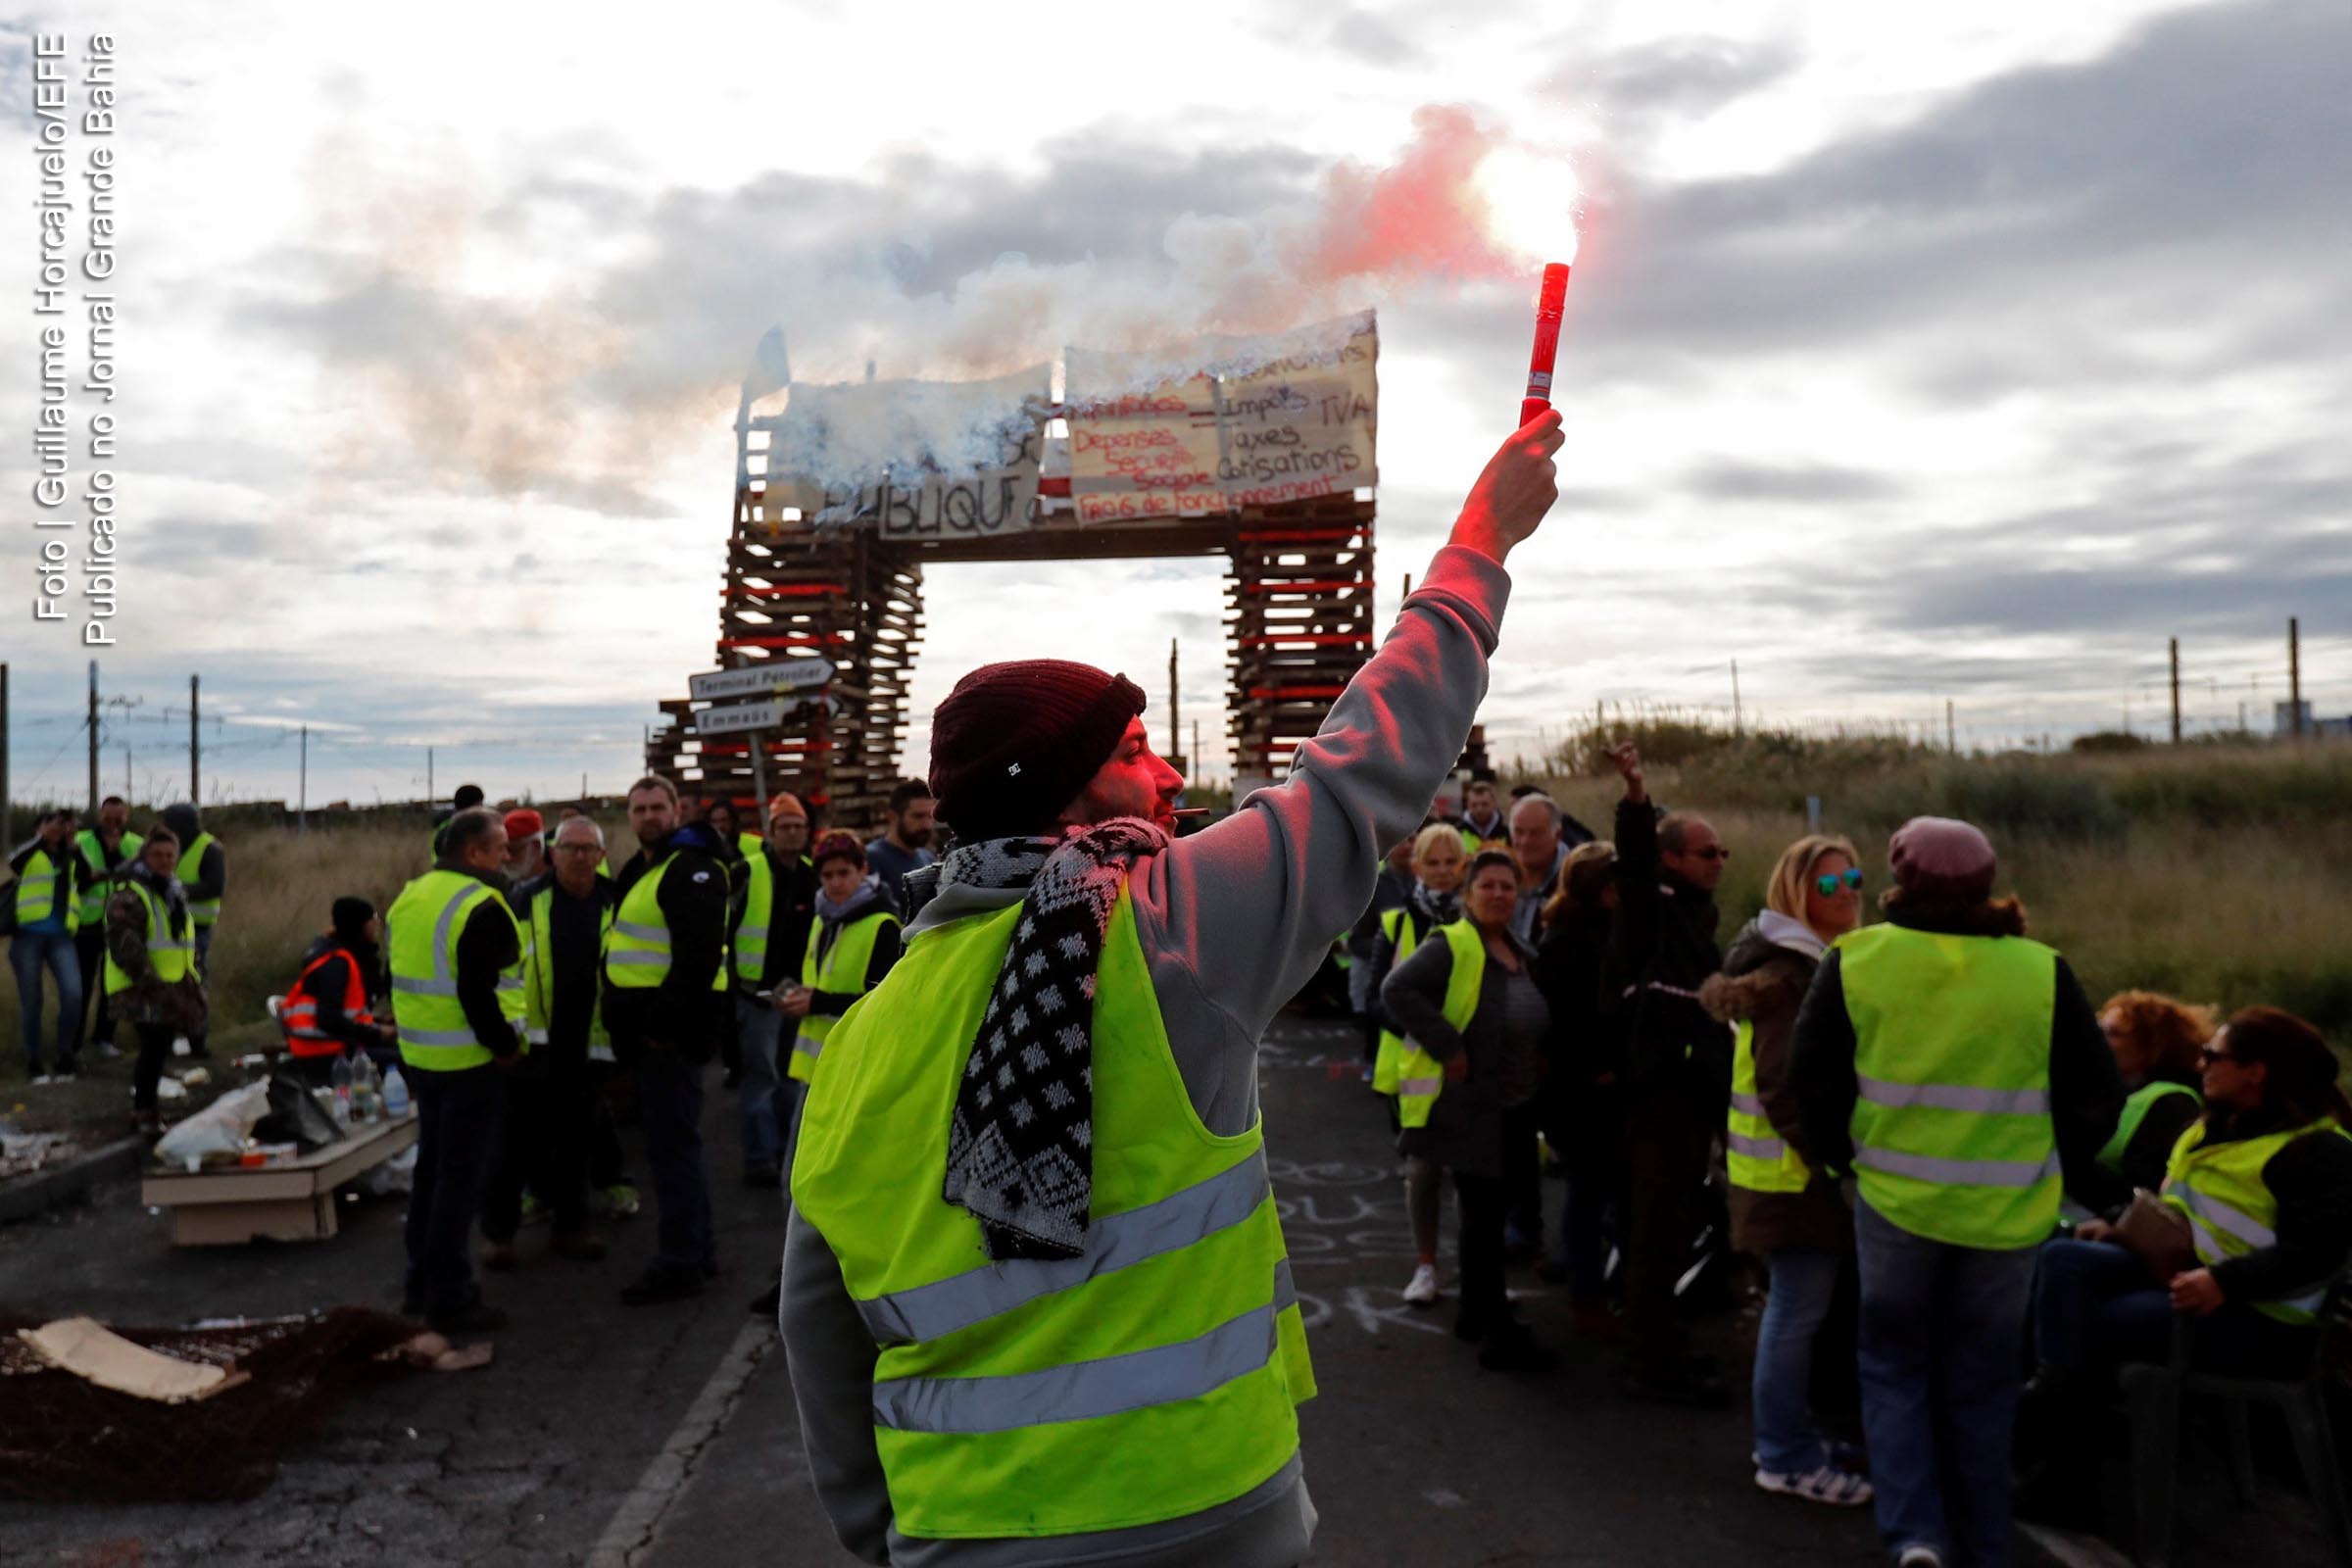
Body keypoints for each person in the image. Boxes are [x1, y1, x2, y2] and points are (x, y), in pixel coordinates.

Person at [781, 410, 1563, 1566]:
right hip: (1200, 1509)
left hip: (958, 1525)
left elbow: (818, 1324)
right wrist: (1478, 545)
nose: (1167, 771)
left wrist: (880, 1527)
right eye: (1135, 747)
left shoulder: (861, 1037)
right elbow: (1361, 776)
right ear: (1067, 799)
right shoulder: (1160, 927)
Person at [1789, 815, 2122, 1568]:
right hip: (2007, 1219)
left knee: (1894, 1369)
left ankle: (1915, 1537)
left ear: (1899, 882)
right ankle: (1984, 1542)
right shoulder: (2041, 971)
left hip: (1894, 1206)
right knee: (1984, 1380)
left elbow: (1812, 1081)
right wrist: (2046, 1161)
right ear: (1987, 885)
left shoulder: (1857, 960)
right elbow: (2097, 1096)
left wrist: (1845, 1165)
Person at [2034, 1006, 2352, 1388]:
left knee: (2092, 1317)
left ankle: (2068, 1418)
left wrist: (2223, 1281)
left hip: (2261, 1315)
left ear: (2256, 1071)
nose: (2201, 1065)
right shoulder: (2212, 1130)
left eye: (2214, 1056)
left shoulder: (2319, 1151)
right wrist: (2117, 1221)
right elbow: (2179, 1206)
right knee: (2060, 1258)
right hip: (2188, 1272)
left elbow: (2318, 1252)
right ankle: (2052, 1394)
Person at [1700, 834, 1873, 1507]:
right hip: (1791, 1179)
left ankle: (1791, 1437)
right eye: (1829, 884)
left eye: (1853, 877)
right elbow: (1782, 1085)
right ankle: (1785, 1454)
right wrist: (1833, 1162)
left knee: (1794, 1313)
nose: (1849, 891)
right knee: (1794, 1315)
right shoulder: (1790, 976)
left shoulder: (1810, 961)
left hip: (1783, 1175)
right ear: (1796, 893)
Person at [1382, 849, 1552, 1370]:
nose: (1499, 894)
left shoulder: (1519, 949)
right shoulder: (1454, 943)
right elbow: (1396, 989)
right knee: (1483, 1220)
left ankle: (1476, 1315)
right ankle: (1494, 1330)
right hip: (1474, 1107)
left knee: (1489, 1216)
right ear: (1468, 894)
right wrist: (1448, 1046)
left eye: (1508, 886)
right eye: (1489, 886)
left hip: (1515, 1104)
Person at [1603, 742, 1734, 1405]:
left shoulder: (1697, 917)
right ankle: (1653, 1360)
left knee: (1674, 1222)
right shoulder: (1651, 909)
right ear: (1673, 859)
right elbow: (1631, 864)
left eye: (1722, 853)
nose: (1719, 863)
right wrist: (1634, 795)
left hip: (1694, 1091)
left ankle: (1662, 1342)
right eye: (1707, 853)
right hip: (1662, 1094)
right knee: (1657, 1226)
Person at [387, 807, 527, 1335]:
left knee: (431, 1173)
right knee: (459, 1183)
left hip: (423, 1059)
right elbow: (478, 992)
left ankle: (419, 1283)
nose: (507, 857)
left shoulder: (411, 895)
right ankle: (450, 1294)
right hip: (470, 1062)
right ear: (474, 852)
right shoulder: (482, 903)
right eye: (500, 848)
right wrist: (505, 1048)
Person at [604, 774, 730, 1305]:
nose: (649, 816)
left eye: (658, 807)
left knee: (672, 1151)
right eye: (639, 809)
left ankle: (680, 1263)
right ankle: (696, 1250)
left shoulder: (691, 869)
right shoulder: (645, 869)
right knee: (675, 1149)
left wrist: (657, 1029)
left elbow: (697, 961)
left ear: (676, 811)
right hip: (651, 1041)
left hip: (669, 1042)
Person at [486, 815, 613, 1268]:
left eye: (588, 849)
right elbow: (504, 974)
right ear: (552, 853)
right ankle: (499, 1238)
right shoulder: (525, 900)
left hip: (588, 1046)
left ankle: (571, 1230)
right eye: (569, 848)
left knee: (575, 1143)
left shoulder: (612, 902)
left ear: (601, 857)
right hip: (534, 1047)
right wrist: (511, 1036)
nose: (579, 856)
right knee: (515, 1146)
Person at [1363, 822, 1466, 1305]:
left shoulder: (1477, 917)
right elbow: (1374, 997)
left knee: (1471, 1175)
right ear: (1417, 866)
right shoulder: (1397, 922)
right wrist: (1429, 1031)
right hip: (1411, 1072)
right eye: (1434, 862)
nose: (1443, 872)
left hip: (1469, 1068)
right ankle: (1426, 1266)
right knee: (1423, 1174)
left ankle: (1475, 1267)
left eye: (1452, 862)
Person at [1534, 840, 1627, 1333]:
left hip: (1585, 1086)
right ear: (1601, 889)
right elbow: (1569, 1019)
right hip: (1584, 1090)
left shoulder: (1585, 931)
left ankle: (1581, 1272)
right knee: (1589, 1192)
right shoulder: (1571, 940)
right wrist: (1600, 1066)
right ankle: (1586, 1295)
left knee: (1592, 1190)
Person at [734, 792, 819, 1189]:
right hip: (756, 996)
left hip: (796, 997)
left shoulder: (810, 874)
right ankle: (758, 1157)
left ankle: (788, 1151)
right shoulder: (748, 871)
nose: (791, 833)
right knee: (761, 1077)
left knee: (790, 1076)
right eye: (784, 827)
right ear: (770, 832)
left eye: (797, 827)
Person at [2065, 990, 2211, 1214]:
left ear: (2154, 1044)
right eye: (2098, 1029)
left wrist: (2071, 1162)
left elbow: (2146, 1189)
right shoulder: (2102, 1090)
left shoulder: (2172, 1103)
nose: (2098, 1039)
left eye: (2112, 1033)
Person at [105, 826, 205, 1138]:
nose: (164, 861)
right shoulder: (131, 893)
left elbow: (180, 941)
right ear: (144, 857)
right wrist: (150, 982)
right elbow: (126, 946)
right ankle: (143, 1113)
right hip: (139, 987)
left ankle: (148, 1111)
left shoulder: (172, 891)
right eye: (157, 855)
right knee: (153, 1048)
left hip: (169, 984)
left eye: (170, 855)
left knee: (159, 1049)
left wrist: (190, 977)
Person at [781, 833, 903, 1087]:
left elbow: (887, 1004)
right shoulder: (820, 919)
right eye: (828, 876)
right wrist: (802, 997)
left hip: (857, 1064)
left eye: (844, 873)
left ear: (863, 870)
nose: (836, 883)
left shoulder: (884, 926)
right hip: (817, 1067)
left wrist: (817, 1001)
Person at [9, 808, 92, 1083]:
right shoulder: (30, 853)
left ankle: (65, 1054)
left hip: (61, 936)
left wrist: (72, 845)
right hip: (27, 935)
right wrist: (43, 838)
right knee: (32, 1001)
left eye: (62, 823)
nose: (58, 827)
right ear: (39, 828)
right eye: (51, 822)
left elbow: (86, 876)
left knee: (73, 994)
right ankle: (34, 1061)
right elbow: (14, 863)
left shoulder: (70, 854)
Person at [278, 897, 397, 1084]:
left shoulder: (338, 953)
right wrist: (378, 1032)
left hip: (330, 1043)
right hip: (324, 1051)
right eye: (373, 918)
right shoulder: (337, 963)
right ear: (361, 925)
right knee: (403, 1060)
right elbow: (329, 1019)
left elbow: (347, 1013)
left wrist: (377, 1022)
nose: (377, 924)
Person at [156, 804, 223, 1061]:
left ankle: (197, 1041)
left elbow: (215, 886)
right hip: (166, 928)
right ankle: (168, 1040)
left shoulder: (210, 848)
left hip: (198, 927)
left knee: (194, 984)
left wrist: (177, 890)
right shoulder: (167, 847)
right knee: (168, 984)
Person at [71, 796, 133, 1060]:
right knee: (81, 987)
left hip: (119, 924)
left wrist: (117, 853)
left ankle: (104, 1037)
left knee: (112, 987)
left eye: (118, 819)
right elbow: (71, 879)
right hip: (86, 923)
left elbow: (135, 876)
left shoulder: (135, 844)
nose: (113, 824)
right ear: (99, 816)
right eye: (108, 819)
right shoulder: (81, 841)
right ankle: (74, 1042)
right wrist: (90, 878)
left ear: (126, 817)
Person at [1506, 792, 1596, 944]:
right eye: (1518, 832)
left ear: (1558, 834)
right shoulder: (1497, 881)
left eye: (1536, 833)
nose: (1525, 841)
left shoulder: (1580, 883)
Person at [862, 778, 936, 910]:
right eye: (918, 816)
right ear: (893, 817)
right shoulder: (872, 859)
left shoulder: (929, 859)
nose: (926, 825)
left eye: (930, 816)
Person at [431, 784, 486, 859]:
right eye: (481, 804)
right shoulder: (462, 830)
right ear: (475, 806)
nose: (482, 809)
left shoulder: (444, 826)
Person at [1454, 777, 1508, 853]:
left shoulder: (1507, 833)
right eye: (1474, 805)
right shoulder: (1457, 833)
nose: (1479, 809)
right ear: (1467, 805)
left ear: (1494, 803)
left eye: (1485, 804)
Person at [502, 808, 547, 885]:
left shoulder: (564, 883)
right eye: (501, 850)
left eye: (511, 851)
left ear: (536, 846)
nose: (505, 858)